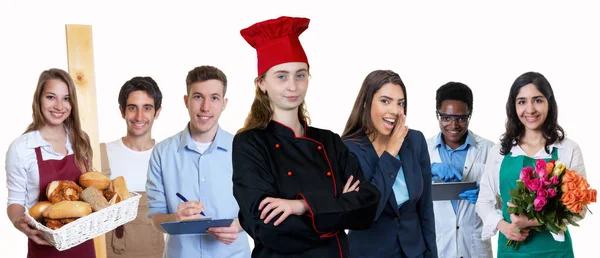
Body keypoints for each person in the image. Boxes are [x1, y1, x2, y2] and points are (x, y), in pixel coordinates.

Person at [232, 16, 381, 258]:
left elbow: (368, 205)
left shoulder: (330, 141)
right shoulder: (250, 143)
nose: (293, 86)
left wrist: (301, 206)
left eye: (300, 75)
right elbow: (268, 228)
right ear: (262, 83)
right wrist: (338, 213)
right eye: (281, 76)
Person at [476, 71, 586, 258]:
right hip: (512, 251)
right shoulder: (500, 152)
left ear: (549, 103)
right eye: (522, 102)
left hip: (555, 252)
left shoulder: (568, 149)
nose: (530, 109)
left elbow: (579, 208)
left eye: (537, 100)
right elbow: (484, 202)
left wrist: (531, 221)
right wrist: (503, 226)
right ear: (513, 106)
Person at [145, 66, 251, 258]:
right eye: (198, 97)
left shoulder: (244, 150)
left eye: (214, 98)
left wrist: (240, 225)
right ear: (186, 101)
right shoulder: (162, 153)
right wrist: (174, 219)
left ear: (224, 103)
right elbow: (155, 217)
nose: (205, 107)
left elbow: (259, 212)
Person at [342, 70, 437, 258]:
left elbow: (425, 209)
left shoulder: (415, 141)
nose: (394, 110)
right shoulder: (348, 150)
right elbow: (367, 213)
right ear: (367, 103)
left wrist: (431, 254)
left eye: (400, 103)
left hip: (414, 252)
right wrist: (391, 152)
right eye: (385, 101)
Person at [6, 68, 95, 258]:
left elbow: (90, 190)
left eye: (66, 98)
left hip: (84, 247)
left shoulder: (80, 140)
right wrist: (18, 222)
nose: (59, 106)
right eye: (51, 97)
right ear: (39, 99)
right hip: (44, 246)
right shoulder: (22, 148)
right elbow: (15, 202)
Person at [426, 82, 493, 258]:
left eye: (461, 118)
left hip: (474, 248)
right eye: (446, 118)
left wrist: (487, 198)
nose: (453, 125)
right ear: (437, 114)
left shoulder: (490, 150)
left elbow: (505, 202)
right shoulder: (423, 150)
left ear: (470, 115)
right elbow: (407, 196)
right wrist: (428, 170)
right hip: (438, 248)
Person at [104, 76, 165, 258]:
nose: (139, 117)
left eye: (147, 108)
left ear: (157, 112)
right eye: (132, 108)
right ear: (122, 111)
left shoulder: (167, 157)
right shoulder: (102, 154)